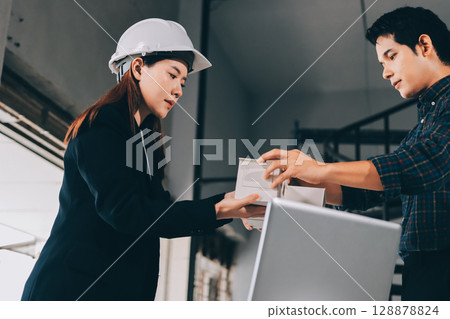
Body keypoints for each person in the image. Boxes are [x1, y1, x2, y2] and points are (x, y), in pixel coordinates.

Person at [21, 18, 264, 301]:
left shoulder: (146, 143)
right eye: (172, 75)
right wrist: (221, 209)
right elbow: (127, 213)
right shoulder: (100, 127)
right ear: (137, 68)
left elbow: (157, 214)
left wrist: (229, 202)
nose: (179, 90)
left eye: (183, 82)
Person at [258, 7, 450, 301]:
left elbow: (429, 163)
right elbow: (366, 193)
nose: (385, 72)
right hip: (421, 270)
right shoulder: (422, 128)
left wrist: (320, 170)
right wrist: (296, 186)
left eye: (391, 56)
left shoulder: (438, 123)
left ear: (424, 45)